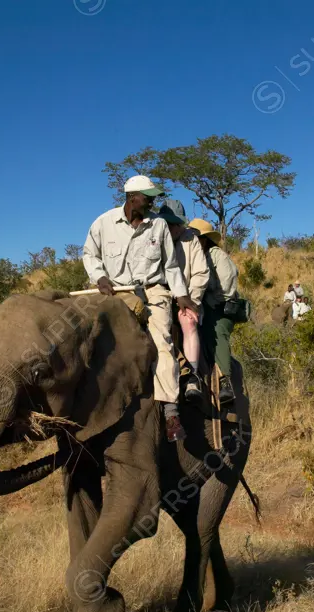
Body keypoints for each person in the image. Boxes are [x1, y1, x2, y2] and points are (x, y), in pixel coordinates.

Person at [82, 175, 196, 442]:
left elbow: (170, 265)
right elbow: (89, 254)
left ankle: (171, 412)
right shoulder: (103, 223)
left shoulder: (158, 226)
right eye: (148, 197)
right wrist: (99, 276)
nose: (152, 201)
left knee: (163, 341)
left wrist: (180, 294)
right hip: (116, 292)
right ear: (132, 197)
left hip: (153, 291)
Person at [158, 199, 210, 402]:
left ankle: (193, 376)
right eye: (169, 223)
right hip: (157, 297)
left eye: (176, 224)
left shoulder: (191, 240)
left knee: (188, 321)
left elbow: (200, 273)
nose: (173, 228)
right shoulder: (152, 235)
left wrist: (190, 299)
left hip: (186, 296)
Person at [190, 218, 240, 406]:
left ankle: (226, 382)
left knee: (217, 335)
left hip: (219, 308)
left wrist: (205, 291)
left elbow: (227, 284)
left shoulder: (216, 254)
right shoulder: (194, 255)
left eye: (196, 237)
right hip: (201, 306)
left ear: (204, 239)